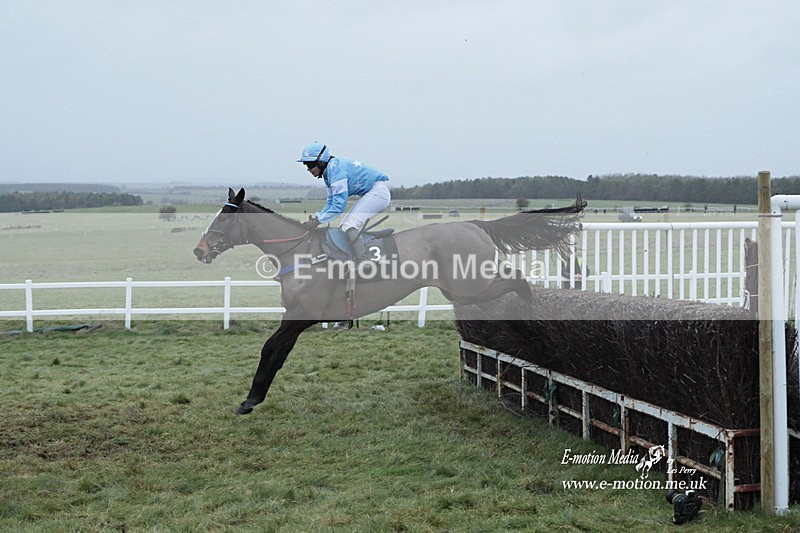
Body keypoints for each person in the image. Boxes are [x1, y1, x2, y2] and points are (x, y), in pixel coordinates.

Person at [298, 141, 391, 260]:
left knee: (349, 225)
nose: (308, 169)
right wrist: (317, 218)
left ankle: (362, 261)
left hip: (378, 193)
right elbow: (331, 203)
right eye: (306, 165)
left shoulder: (336, 171)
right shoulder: (329, 173)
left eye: (310, 164)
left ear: (321, 161)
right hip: (373, 192)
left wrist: (318, 221)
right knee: (344, 228)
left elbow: (338, 208)